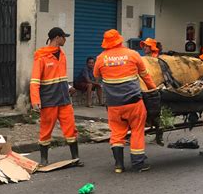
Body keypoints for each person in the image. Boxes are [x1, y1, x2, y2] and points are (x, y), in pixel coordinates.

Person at [94, 29, 156, 173]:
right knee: (137, 131)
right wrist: (153, 90)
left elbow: (96, 75)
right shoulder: (133, 55)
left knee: (116, 134)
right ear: (120, 40)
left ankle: (119, 165)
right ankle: (138, 164)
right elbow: (145, 76)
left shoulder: (100, 58)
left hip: (114, 105)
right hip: (134, 103)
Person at [30, 27, 82, 166]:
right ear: (57, 38)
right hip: (49, 100)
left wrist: (69, 87)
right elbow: (35, 81)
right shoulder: (41, 57)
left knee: (70, 128)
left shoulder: (62, 54)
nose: (65, 40)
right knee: (46, 129)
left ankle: (75, 158)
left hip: (64, 99)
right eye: (64, 37)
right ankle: (44, 160)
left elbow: (61, 77)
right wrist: (35, 100)